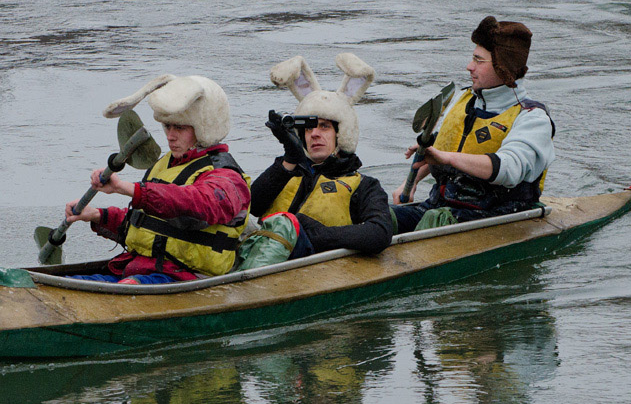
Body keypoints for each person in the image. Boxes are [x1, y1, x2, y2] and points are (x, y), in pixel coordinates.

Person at [64, 74, 251, 284]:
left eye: (180, 128)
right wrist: (97, 215)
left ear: (203, 127)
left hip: (184, 278)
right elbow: (149, 225)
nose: (170, 136)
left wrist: (128, 189)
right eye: (167, 126)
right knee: (66, 282)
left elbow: (199, 203)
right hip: (140, 269)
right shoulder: (167, 164)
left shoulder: (227, 178)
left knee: (125, 288)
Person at [392, 16, 555, 232]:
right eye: (472, 58)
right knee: (375, 214)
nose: (469, 67)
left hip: (498, 218)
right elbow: (442, 146)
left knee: (435, 220)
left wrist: (448, 158)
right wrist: (410, 182)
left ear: (502, 65)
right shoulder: (463, 100)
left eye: (479, 61)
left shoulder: (533, 119)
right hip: (440, 208)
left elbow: (509, 168)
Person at [250, 53, 393, 256]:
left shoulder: (365, 186)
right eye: (309, 129)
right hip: (263, 258)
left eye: (324, 127)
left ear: (340, 134)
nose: (315, 134)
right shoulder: (286, 171)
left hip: (316, 266)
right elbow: (252, 206)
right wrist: (289, 158)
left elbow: (380, 233)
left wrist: (314, 236)